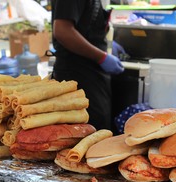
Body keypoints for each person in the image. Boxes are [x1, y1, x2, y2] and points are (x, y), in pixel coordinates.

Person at [51, 0, 124, 131]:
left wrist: (104, 44)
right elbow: (62, 30)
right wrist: (101, 57)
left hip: (92, 74)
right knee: (87, 132)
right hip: (77, 76)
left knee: (99, 130)